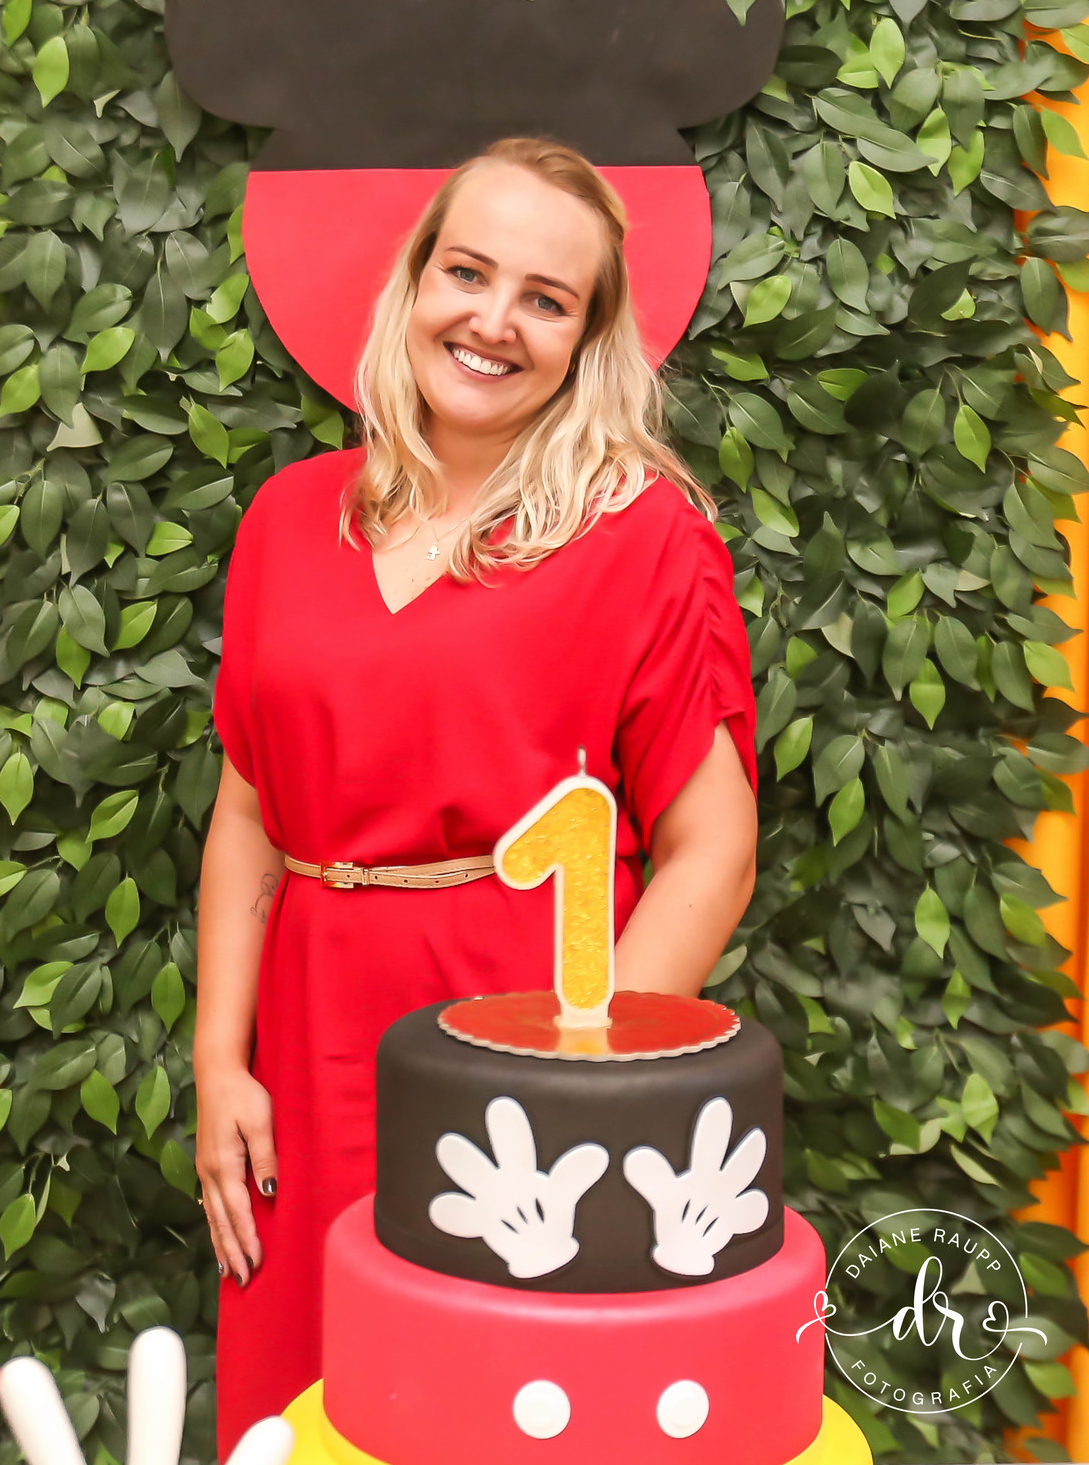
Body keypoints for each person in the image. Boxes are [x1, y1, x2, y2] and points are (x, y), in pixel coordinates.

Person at [195, 137, 760, 1453]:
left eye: (545, 299)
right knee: (302, 1408)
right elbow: (249, 813)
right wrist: (221, 1062)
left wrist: (582, 1088)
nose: (493, 320)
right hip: (305, 1040)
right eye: (468, 272)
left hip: (514, 1051)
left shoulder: (642, 534)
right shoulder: (288, 517)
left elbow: (713, 851)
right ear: (416, 282)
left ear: (587, 341)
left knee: (489, 1408)